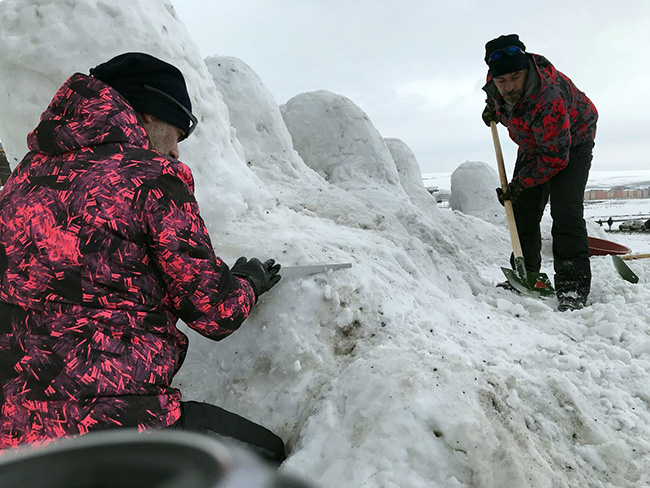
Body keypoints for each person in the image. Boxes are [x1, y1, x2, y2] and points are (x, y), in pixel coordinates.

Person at [0, 53, 286, 463]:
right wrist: (248, 280)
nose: (176, 154)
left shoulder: (24, 178)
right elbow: (215, 310)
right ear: (151, 114)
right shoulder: (149, 178)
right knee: (267, 455)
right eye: (178, 133)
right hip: (118, 427)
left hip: (15, 435)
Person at [482, 34, 598, 312]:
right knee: (521, 208)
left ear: (525, 70)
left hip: (573, 138)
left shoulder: (548, 98)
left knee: (566, 211)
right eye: (502, 81)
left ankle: (572, 286)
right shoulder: (497, 85)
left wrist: (521, 182)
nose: (509, 87)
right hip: (535, 141)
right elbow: (502, 100)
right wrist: (493, 110)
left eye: (515, 77)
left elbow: (555, 159)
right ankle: (527, 274)